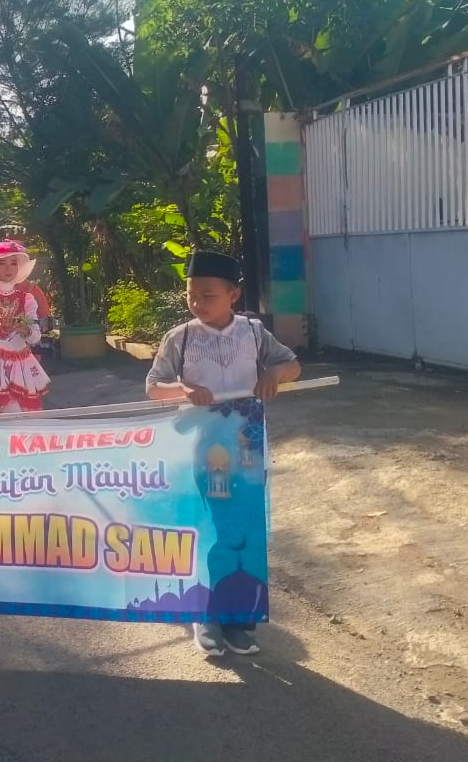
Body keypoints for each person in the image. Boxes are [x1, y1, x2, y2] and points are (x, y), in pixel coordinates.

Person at [145, 250, 301, 659]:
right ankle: (206, 614)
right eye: (192, 294)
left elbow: (291, 366)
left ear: (233, 295)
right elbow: (154, 386)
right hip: (204, 449)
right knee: (211, 527)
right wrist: (184, 390)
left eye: (208, 295)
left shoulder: (253, 333)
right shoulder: (180, 337)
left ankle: (239, 619)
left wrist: (273, 373)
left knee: (245, 530)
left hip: (248, 448)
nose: (197, 302)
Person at [0, 241, 49, 415]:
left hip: (22, 365)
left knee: (31, 420)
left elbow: (35, 336)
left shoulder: (27, 298)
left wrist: (26, 331)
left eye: (13, 263)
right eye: (2, 263)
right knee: (13, 417)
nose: (8, 268)